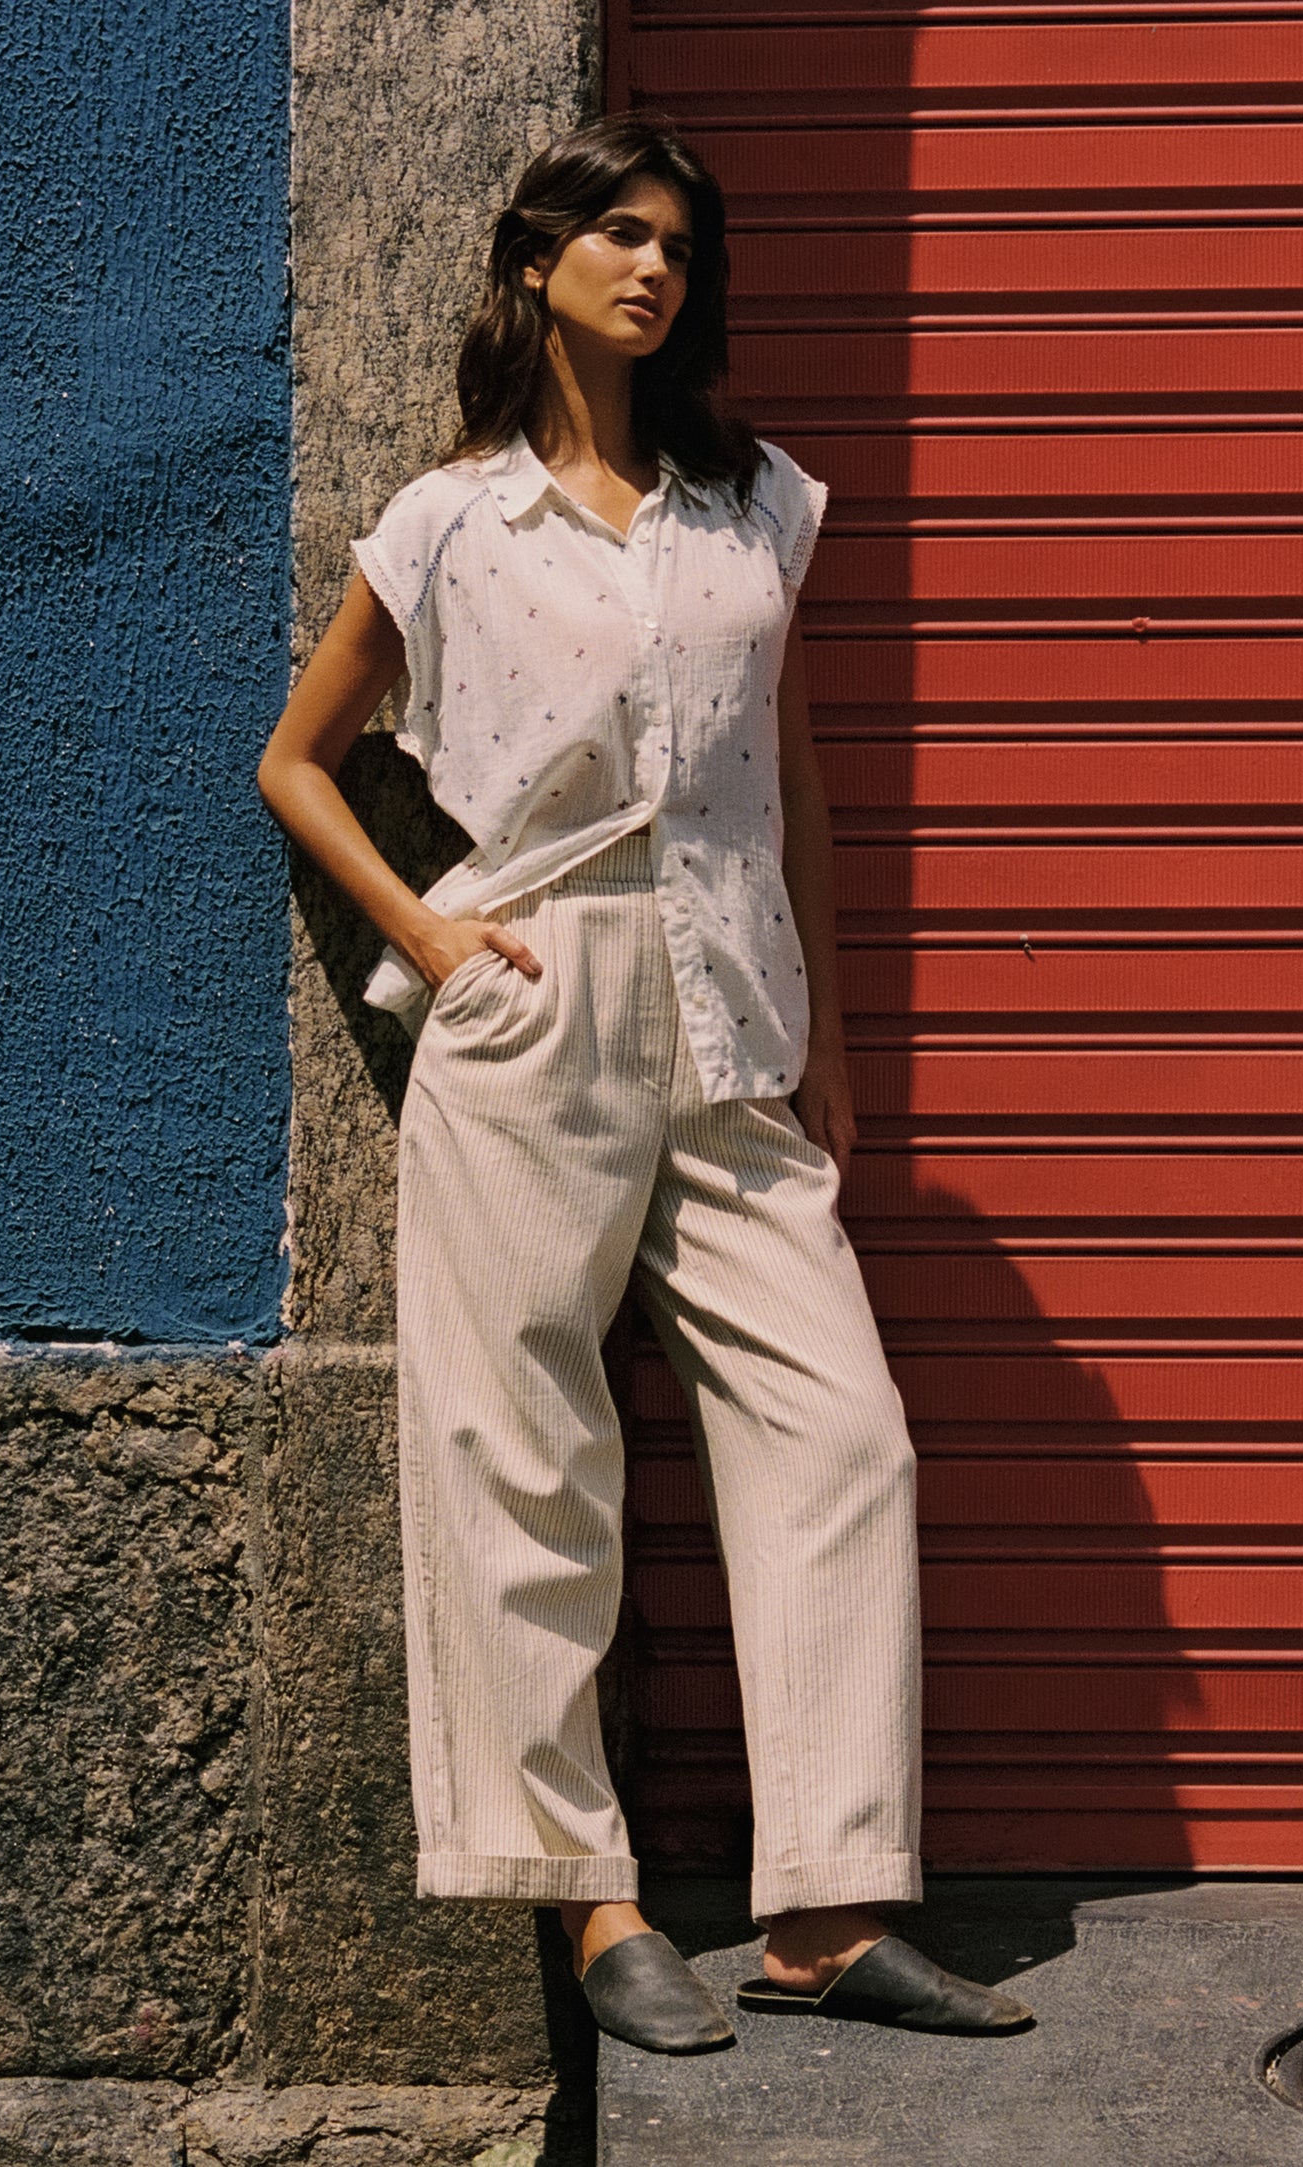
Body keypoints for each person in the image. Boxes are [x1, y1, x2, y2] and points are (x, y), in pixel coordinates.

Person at [257, 113, 1031, 2053]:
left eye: (677, 238)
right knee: (526, 1455)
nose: (651, 263)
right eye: (616, 229)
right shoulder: (448, 523)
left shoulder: (759, 501)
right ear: (538, 263)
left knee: (843, 1431)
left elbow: (798, 777)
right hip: (529, 996)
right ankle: (592, 1898)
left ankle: (831, 1910)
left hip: (727, 1003)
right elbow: (297, 756)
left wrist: (832, 1030)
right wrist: (431, 942)